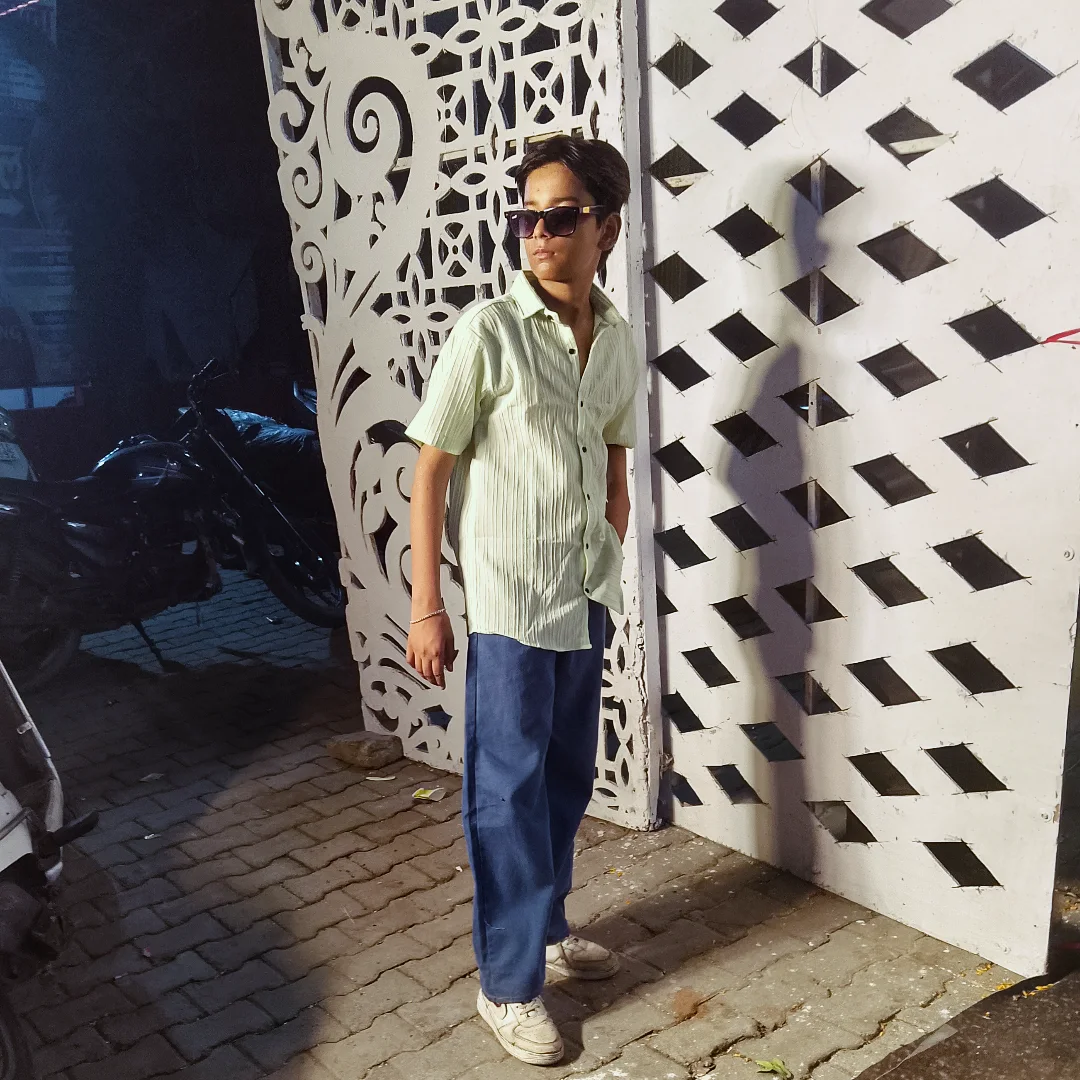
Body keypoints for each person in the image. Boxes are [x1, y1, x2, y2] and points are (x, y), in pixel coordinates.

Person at [405, 134, 639, 1066]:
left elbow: (613, 455)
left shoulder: (616, 337)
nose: (539, 234)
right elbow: (431, 469)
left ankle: (546, 932)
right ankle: (507, 986)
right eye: (527, 218)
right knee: (506, 794)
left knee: (565, 777)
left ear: (605, 228)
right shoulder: (488, 333)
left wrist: (610, 538)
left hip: (582, 591)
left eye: (561, 217)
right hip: (509, 601)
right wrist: (428, 604)